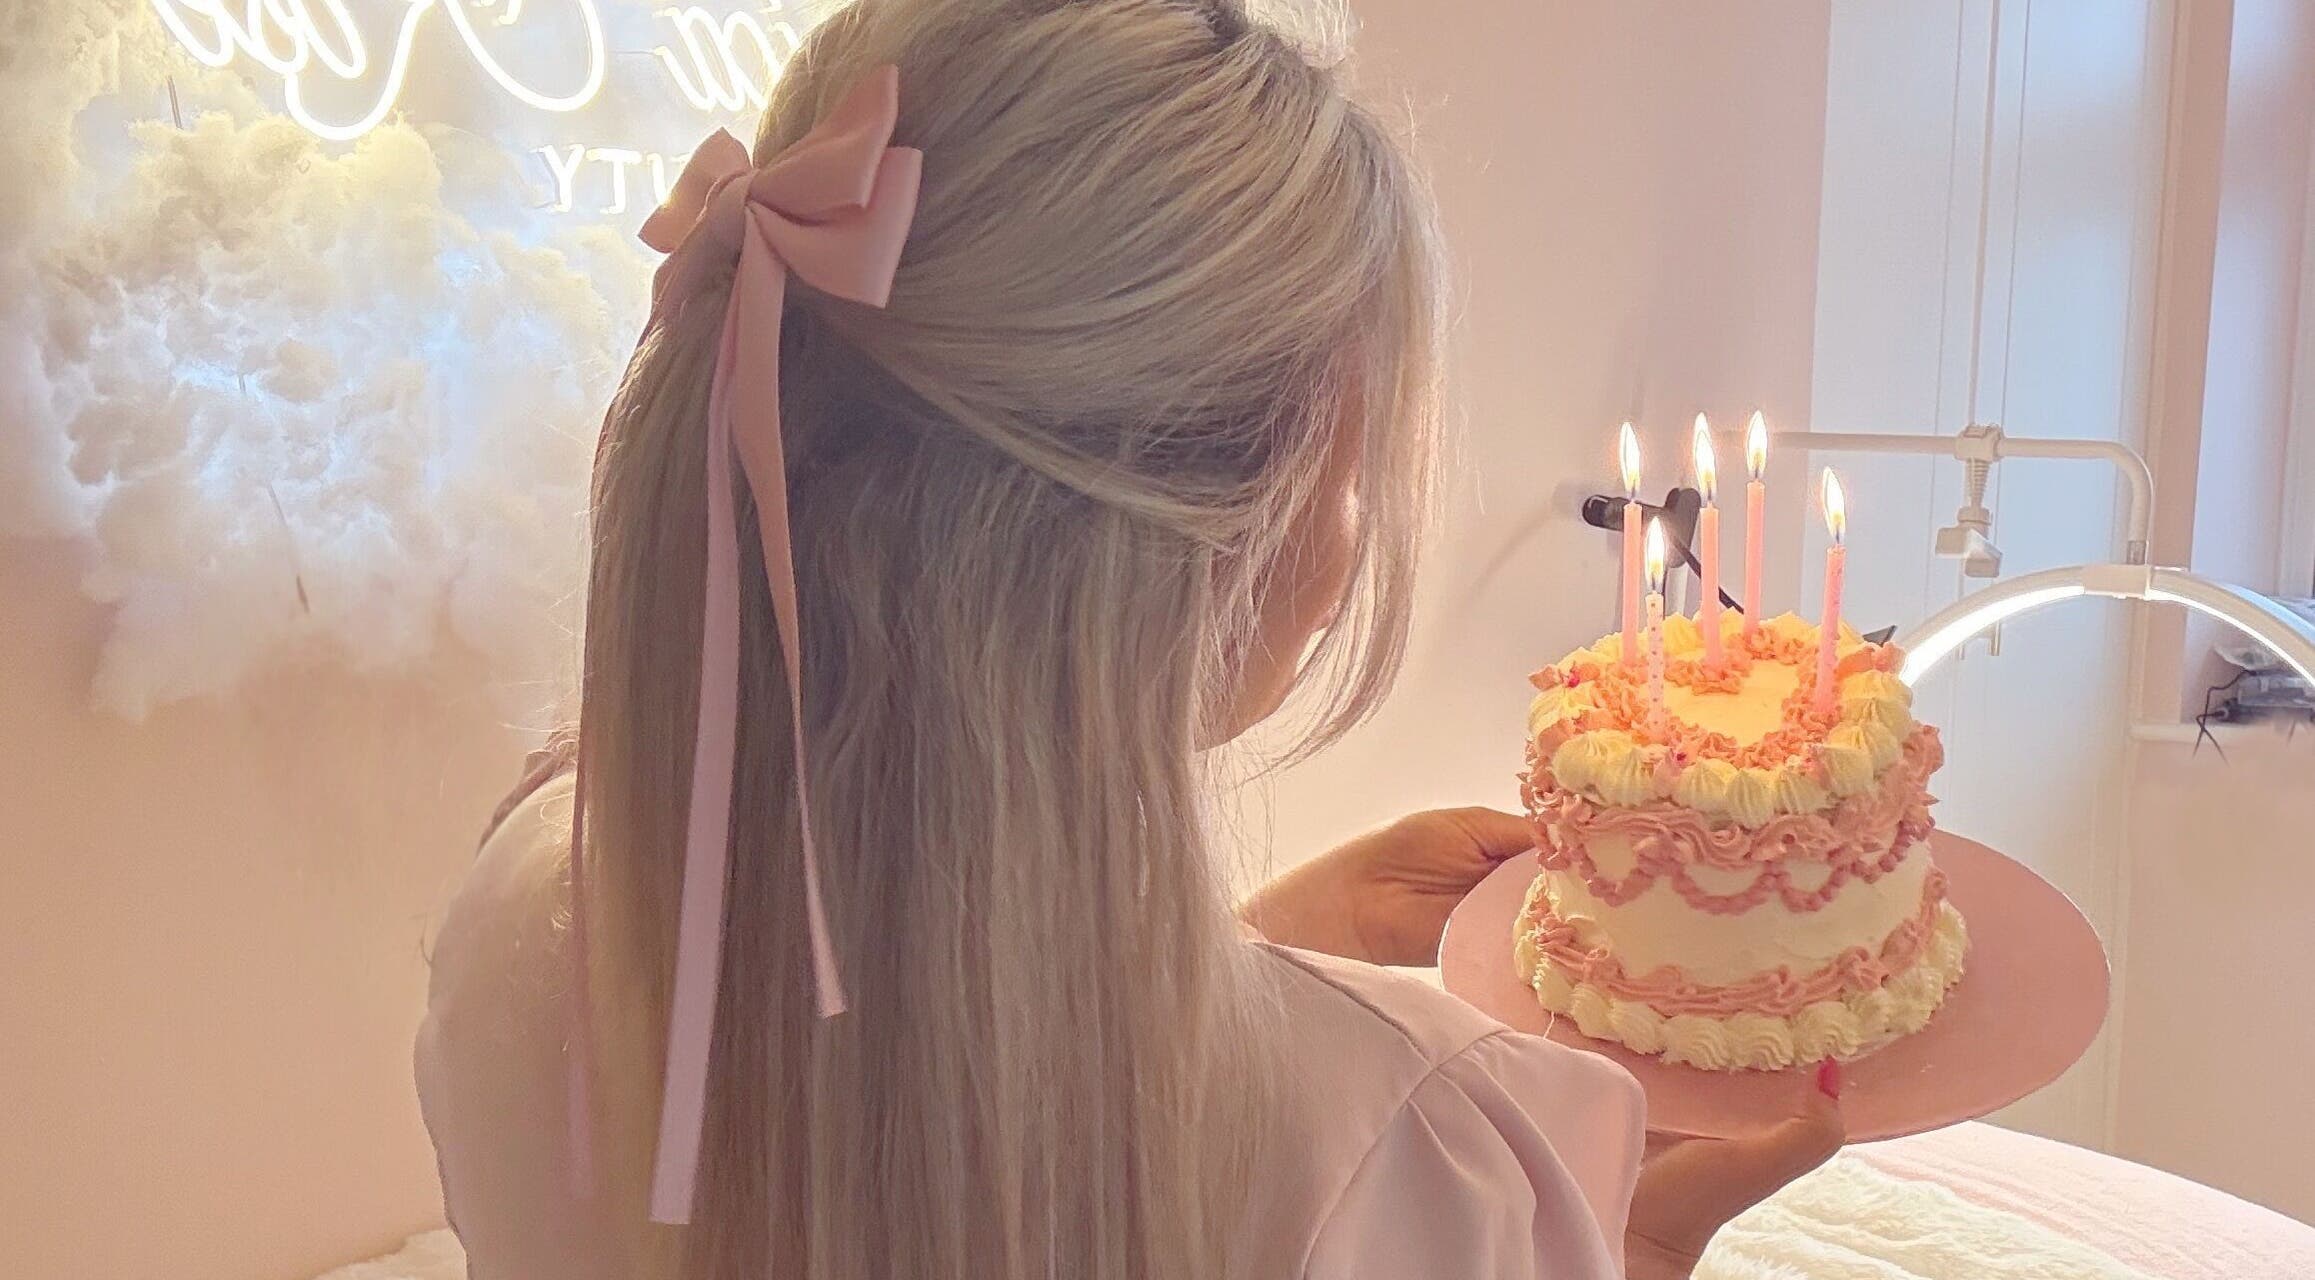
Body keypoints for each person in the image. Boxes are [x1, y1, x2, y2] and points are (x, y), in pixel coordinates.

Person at [415, 1, 1844, 1276]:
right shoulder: (1434, 1150)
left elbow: (915, 1081)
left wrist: (1264, 946)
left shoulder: (530, 895)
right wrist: (1631, 1249)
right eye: (1353, 465)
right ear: (1225, 537)